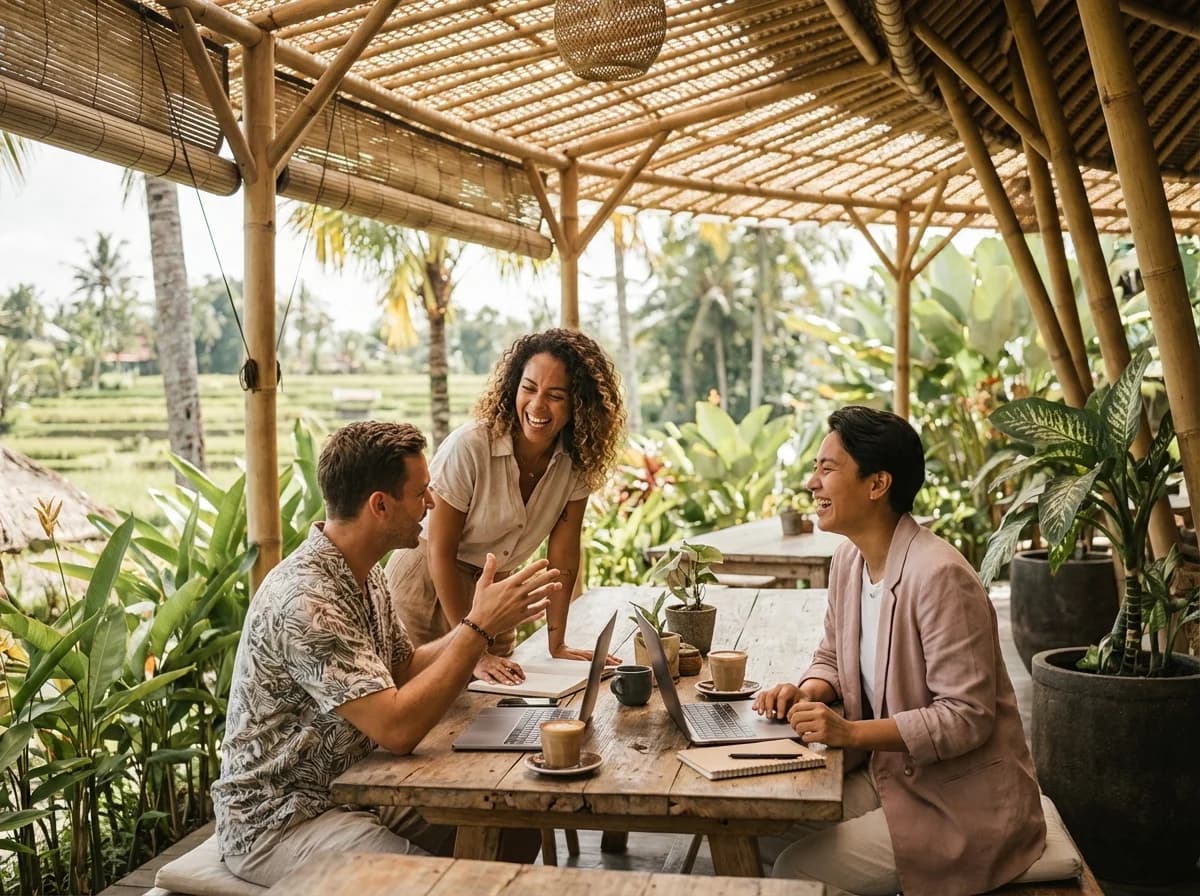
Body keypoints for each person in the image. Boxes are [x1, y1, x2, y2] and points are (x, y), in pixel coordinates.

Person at [213, 421, 557, 886]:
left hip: (357, 790)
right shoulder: (306, 601)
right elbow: (397, 731)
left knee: (514, 822)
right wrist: (477, 630)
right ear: (380, 505)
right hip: (284, 819)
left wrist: (478, 622)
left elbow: (402, 667)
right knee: (438, 885)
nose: (431, 503)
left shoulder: (364, 571)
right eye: (420, 493)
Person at [754, 406, 1045, 896]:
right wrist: (808, 691)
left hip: (957, 801)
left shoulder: (940, 576)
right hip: (889, 775)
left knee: (795, 872)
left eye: (828, 468)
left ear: (877, 484)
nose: (812, 482)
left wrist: (850, 732)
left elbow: (966, 716)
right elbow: (832, 655)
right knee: (756, 828)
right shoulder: (848, 560)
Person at [386, 328, 626, 684]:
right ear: (514, 386)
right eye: (529, 388)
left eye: (555, 396)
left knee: (494, 702)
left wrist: (557, 643)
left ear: (579, 403)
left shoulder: (576, 462)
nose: (537, 405)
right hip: (427, 587)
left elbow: (563, 555)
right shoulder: (471, 446)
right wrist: (473, 649)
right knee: (426, 702)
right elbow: (440, 551)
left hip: (495, 595)